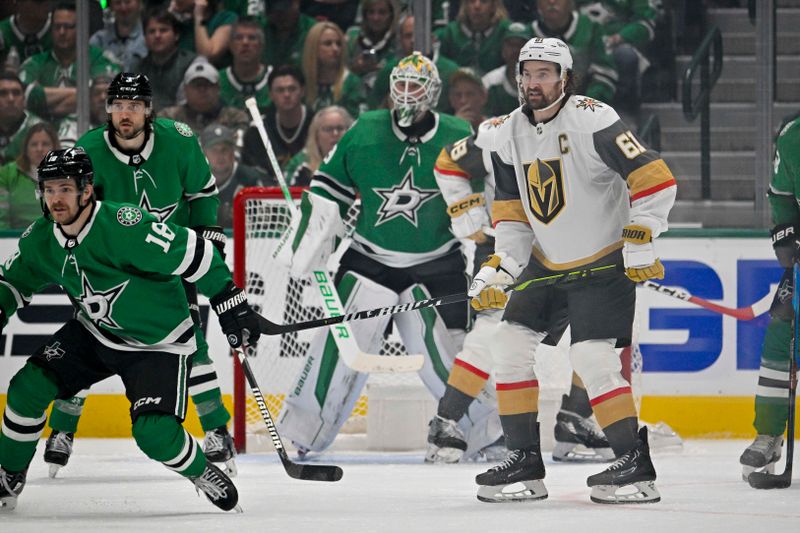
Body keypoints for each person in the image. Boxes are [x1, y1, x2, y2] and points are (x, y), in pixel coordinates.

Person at [468, 37, 676, 504]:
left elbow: (654, 177)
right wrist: (499, 270)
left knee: (593, 360)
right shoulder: (505, 134)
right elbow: (513, 214)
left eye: (545, 73)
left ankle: (635, 467)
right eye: (528, 73)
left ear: (565, 78)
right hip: (545, 264)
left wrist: (641, 235)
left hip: (603, 262)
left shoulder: (593, 118)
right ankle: (525, 459)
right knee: (508, 343)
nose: (534, 82)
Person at [0, 146, 259, 512]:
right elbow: (11, 283)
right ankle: (8, 473)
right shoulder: (40, 239)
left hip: (159, 342)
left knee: (154, 434)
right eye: (49, 189)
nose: (56, 199)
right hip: (95, 333)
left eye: (65, 189)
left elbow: (198, 254)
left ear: (86, 190)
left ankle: (201, 471)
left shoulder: (126, 225)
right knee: (27, 387)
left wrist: (231, 303)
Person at [277, 52, 500, 460]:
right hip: (369, 260)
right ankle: (303, 432)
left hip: (438, 262)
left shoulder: (457, 132)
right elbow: (327, 189)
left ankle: (483, 434)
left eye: (415, 86)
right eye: (400, 84)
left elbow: (489, 193)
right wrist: (305, 245)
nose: (406, 94)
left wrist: (495, 240)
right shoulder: (365, 129)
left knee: (452, 351)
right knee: (337, 346)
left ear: (432, 93)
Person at [42, 72, 239, 479]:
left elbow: (202, 193)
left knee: (191, 340)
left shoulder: (179, 138)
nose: (124, 114)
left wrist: (208, 237)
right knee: (87, 343)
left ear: (148, 110)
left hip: (170, 257)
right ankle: (62, 429)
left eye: (133, 106)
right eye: (117, 106)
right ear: (108, 109)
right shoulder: (89, 150)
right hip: (108, 266)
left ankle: (217, 428)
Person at [428, 118, 614, 464]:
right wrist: (465, 211)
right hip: (506, 248)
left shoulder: (583, 134)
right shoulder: (501, 132)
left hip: (563, 252)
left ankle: (574, 421)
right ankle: (445, 424)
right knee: (490, 334)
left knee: (602, 327)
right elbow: (447, 162)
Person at [739, 115, 800, 482]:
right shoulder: (794, 135)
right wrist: (787, 235)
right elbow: (781, 195)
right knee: (780, 340)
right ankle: (769, 434)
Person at [18, 1, 121, 124]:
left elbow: (104, 100)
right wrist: (87, 93)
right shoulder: (34, 63)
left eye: (68, 27)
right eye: (57, 27)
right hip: (43, 136)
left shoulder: (102, 60)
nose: (62, 32)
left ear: (81, 29)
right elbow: (26, 98)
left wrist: (44, 103)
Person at [368, 12, 459, 113]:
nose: (413, 40)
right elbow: (374, 111)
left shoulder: (451, 71)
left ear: (432, 38)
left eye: (419, 35)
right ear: (400, 41)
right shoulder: (389, 71)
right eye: (408, 36)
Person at [533, 0, 618, 105]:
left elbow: (605, 74)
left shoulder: (592, 28)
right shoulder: (526, 36)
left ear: (570, 2)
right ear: (537, 3)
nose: (552, 1)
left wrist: (586, 105)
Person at [241, 64, 312, 177]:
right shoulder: (257, 131)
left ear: (302, 91)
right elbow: (252, 176)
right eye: (280, 90)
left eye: (292, 89)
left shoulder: (318, 125)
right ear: (271, 94)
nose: (287, 94)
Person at [160, 58, 250, 136]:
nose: (202, 90)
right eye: (196, 85)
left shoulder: (235, 118)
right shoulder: (169, 118)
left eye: (207, 85)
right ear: (185, 89)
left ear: (218, 88)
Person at [200, 123, 265, 227]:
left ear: (233, 151)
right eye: (214, 150)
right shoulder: (191, 181)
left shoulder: (250, 179)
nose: (220, 155)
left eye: (225, 149)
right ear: (203, 153)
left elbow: (264, 222)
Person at [0, 122, 59, 229]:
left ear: (55, 148)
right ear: (25, 149)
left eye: (45, 144)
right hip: (14, 238)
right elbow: (1, 218)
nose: (39, 149)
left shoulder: (67, 175)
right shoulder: (6, 174)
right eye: (34, 144)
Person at [301, 21, 364, 118]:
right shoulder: (301, 81)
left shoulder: (351, 82)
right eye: (328, 43)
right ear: (313, 47)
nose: (335, 49)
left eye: (338, 44)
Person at [138, 7, 197, 111]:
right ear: (145, 38)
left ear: (176, 35)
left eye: (163, 30)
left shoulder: (191, 64)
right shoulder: (138, 68)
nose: (157, 35)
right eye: (151, 31)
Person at [435, 0, 511, 76]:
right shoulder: (450, 33)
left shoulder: (506, 32)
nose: (477, 6)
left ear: (493, 6)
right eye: (471, 1)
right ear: (465, 5)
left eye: (484, 1)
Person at [283, 105, 353, 187]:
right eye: (328, 129)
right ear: (316, 135)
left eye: (340, 128)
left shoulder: (361, 160)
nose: (335, 134)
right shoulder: (300, 166)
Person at [219, 16, 273, 110]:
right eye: (239, 38)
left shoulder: (275, 78)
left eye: (252, 38)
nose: (245, 43)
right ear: (230, 45)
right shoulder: (218, 80)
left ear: (261, 45)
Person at [482, 22, 532, 118]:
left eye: (521, 45)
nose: (516, 50)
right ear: (503, 48)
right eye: (511, 45)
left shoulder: (542, 83)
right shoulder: (490, 81)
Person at [169, 0, 237, 67]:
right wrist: (168, 17)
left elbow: (206, 57)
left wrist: (199, 17)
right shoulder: (182, 23)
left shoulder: (226, 18)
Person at [89, 0, 148, 72]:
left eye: (128, 2)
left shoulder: (149, 38)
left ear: (140, 3)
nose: (123, 8)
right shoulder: (98, 40)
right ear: (111, 7)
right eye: (118, 3)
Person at [0, 72, 43, 165]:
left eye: (16, 93)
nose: (11, 99)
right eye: (3, 93)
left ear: (24, 99)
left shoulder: (39, 130)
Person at [259, 0, 316, 68]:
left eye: (284, 10)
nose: (279, 16)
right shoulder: (258, 29)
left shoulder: (312, 30)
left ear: (296, 3)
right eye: (273, 11)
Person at [0, 0, 53, 67]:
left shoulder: (61, 27)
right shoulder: (3, 32)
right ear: (19, 3)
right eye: (39, 1)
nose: (46, 4)